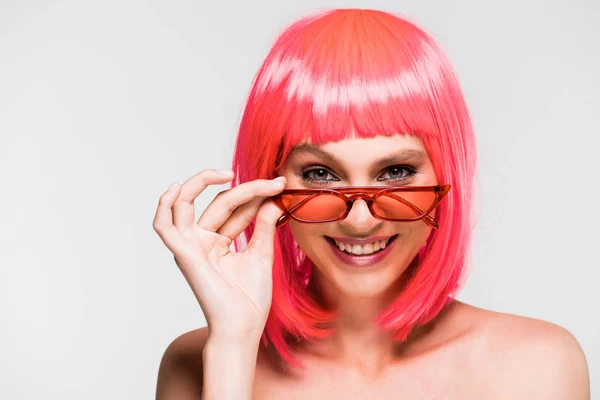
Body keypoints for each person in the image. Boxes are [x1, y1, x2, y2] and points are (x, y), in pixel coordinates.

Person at [153, 8, 590, 399]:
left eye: (396, 172)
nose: (360, 220)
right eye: (320, 175)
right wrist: (233, 344)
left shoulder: (536, 365)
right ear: (270, 183)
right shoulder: (198, 362)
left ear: (445, 176)